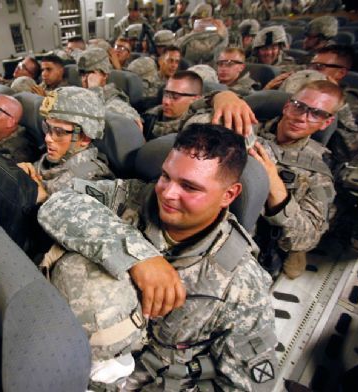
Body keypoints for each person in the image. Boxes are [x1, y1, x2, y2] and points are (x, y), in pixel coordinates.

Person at [37, 124, 277, 391]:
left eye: (189, 187)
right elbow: (59, 203)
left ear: (228, 195)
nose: (168, 193)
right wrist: (137, 255)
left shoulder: (242, 284)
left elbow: (244, 387)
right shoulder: (133, 197)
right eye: (166, 176)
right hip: (65, 353)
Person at [249, 81, 339, 279]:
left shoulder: (318, 171)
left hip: (257, 245)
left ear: (326, 122)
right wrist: (222, 98)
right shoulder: (248, 128)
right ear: (287, 106)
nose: (302, 118)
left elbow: (306, 239)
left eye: (316, 114)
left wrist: (275, 187)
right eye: (299, 107)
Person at [77, 47, 142, 130]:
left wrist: (94, 91)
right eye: (82, 74)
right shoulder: (79, 95)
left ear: (104, 75)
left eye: (90, 73)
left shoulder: (115, 103)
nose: (84, 79)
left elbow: (134, 133)